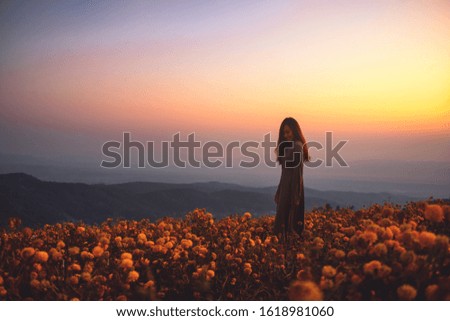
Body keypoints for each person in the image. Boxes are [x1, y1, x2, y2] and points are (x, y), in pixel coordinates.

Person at [273, 117, 310, 244]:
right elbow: (284, 173)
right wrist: (279, 190)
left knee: (289, 223)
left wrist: (296, 194)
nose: (286, 135)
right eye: (284, 133)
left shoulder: (297, 147)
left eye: (288, 132)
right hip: (285, 186)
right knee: (282, 222)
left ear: (295, 131)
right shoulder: (288, 146)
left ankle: (289, 254)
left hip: (293, 187)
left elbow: (298, 172)